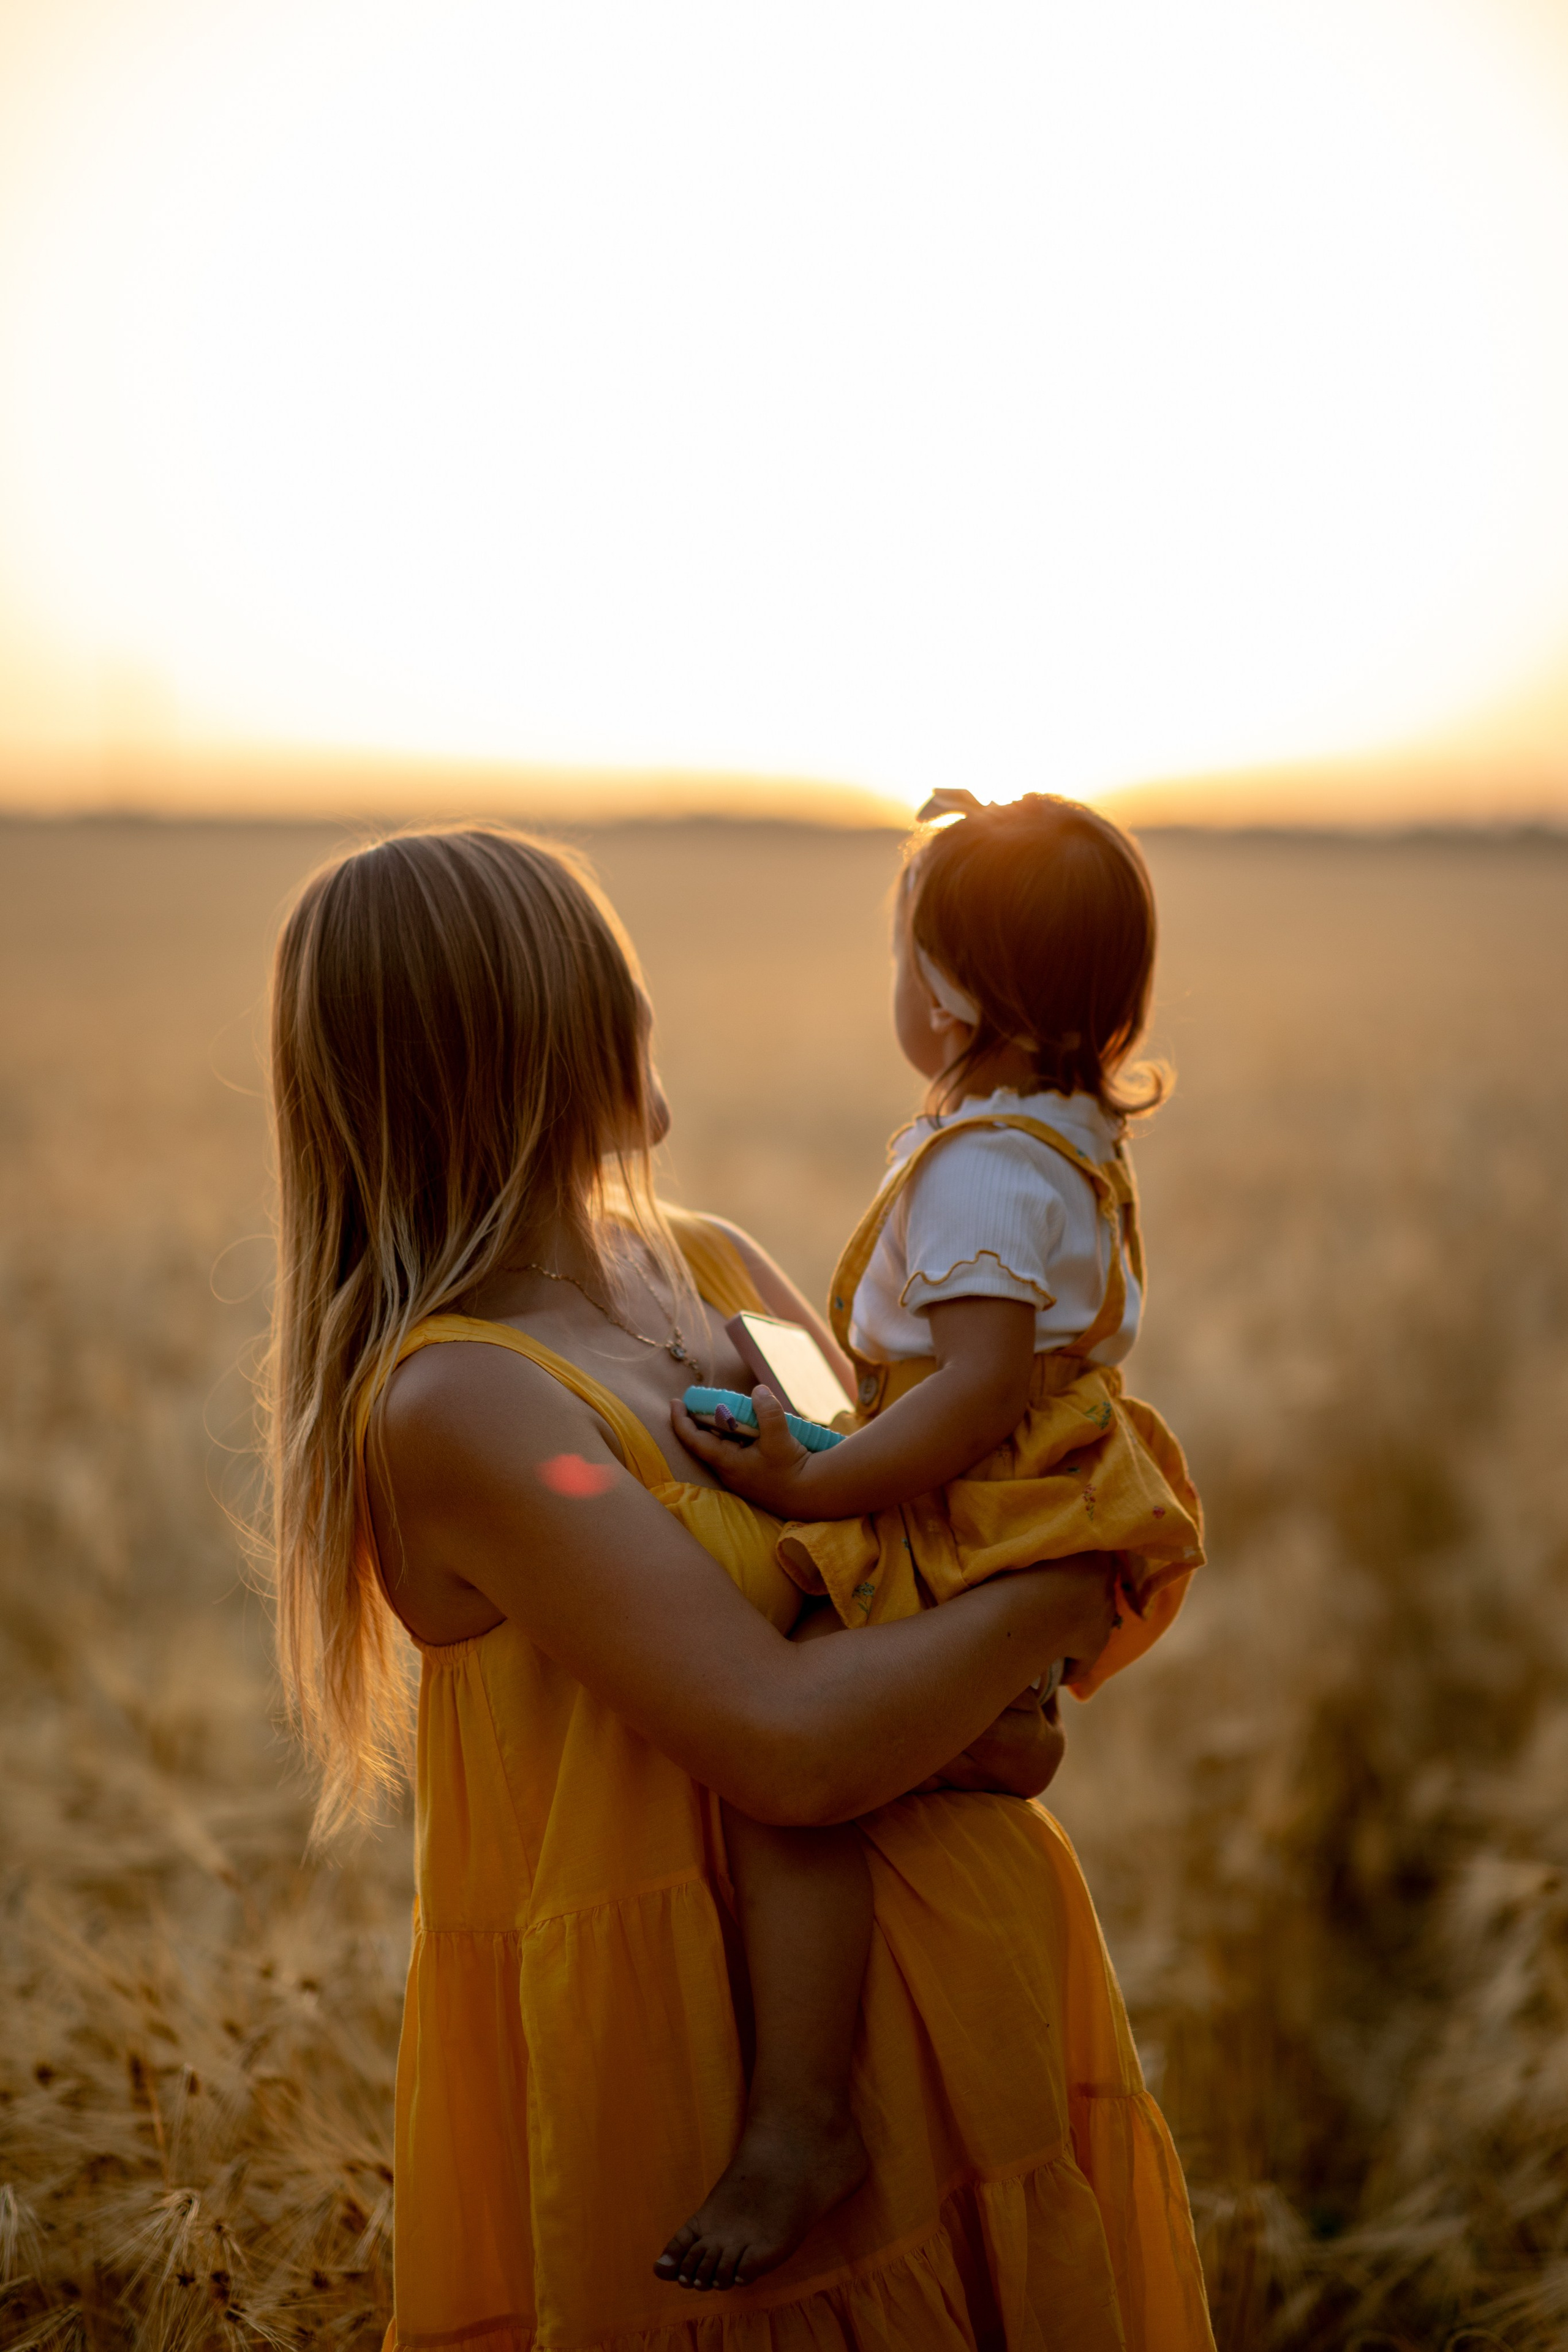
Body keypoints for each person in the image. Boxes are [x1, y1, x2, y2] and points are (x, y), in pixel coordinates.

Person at [266, 822, 1215, 2351]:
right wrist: (1066, 1590)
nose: (648, 1017)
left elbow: (922, 1594)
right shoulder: (464, 1408)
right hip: (712, 2096)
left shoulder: (704, 1265)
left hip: (972, 2018)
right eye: (607, 985)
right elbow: (797, 1741)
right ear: (510, 1041)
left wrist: (999, 1660)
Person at [668, 790, 1204, 2287]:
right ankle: (993, 1727)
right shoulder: (1059, 1133)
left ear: (953, 993)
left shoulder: (978, 1167)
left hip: (969, 1491)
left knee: (795, 1762)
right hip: (1037, 1480)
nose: (895, 989)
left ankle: (796, 2122)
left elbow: (970, 1389)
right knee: (853, 1712)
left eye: (905, 957)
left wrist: (810, 1478)